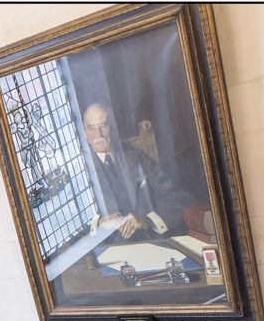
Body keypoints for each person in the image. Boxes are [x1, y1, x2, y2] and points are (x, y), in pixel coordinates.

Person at [81, 102, 199, 241]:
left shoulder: (137, 158)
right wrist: (98, 223)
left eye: (103, 126)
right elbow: (68, 225)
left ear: (113, 129)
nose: (98, 134)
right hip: (107, 247)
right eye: (91, 128)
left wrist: (147, 220)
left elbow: (181, 197)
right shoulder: (80, 170)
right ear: (84, 133)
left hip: (150, 241)